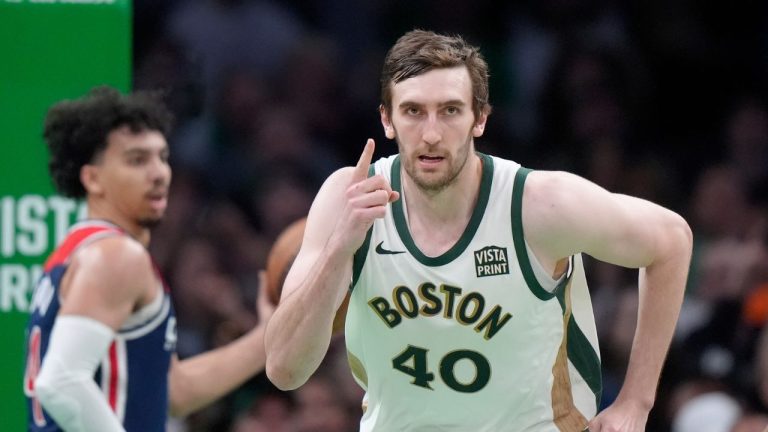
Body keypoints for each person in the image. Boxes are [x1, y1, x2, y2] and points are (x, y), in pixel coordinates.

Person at [264, 30, 693, 431]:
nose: (431, 133)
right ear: (387, 120)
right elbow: (284, 370)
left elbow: (671, 240)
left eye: (450, 111)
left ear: (479, 119)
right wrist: (338, 250)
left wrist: (637, 400)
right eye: (413, 111)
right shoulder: (350, 197)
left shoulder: (538, 204)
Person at [23, 86, 272, 431]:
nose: (159, 173)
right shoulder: (117, 256)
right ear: (92, 178)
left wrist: (265, 339)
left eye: (163, 157)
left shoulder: (73, 254)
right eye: (137, 160)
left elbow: (173, 391)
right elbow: (61, 383)